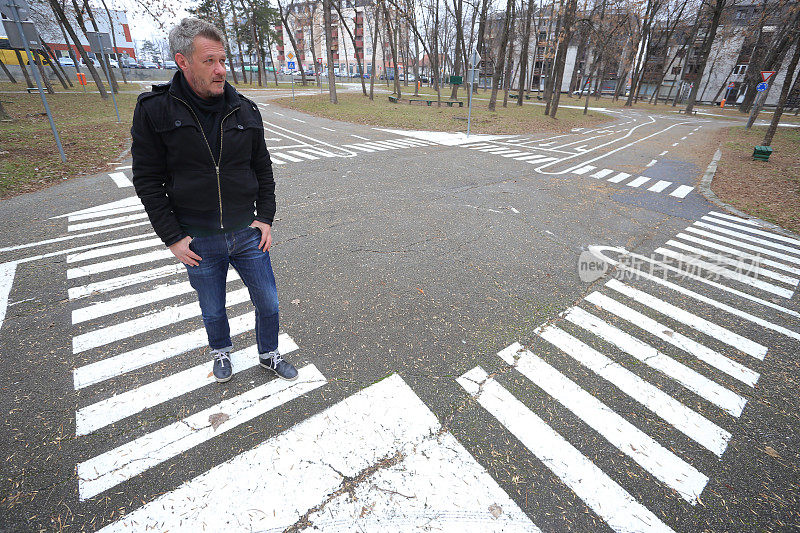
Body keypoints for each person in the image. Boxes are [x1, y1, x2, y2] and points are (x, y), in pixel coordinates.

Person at [130, 17, 297, 383]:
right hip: (197, 238)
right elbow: (147, 181)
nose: (220, 70)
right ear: (182, 61)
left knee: (268, 302)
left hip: (246, 233)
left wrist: (265, 217)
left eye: (222, 60)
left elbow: (263, 169)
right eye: (209, 61)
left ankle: (269, 354)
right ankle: (221, 351)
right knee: (212, 307)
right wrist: (172, 237)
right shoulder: (154, 111)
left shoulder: (245, 109)